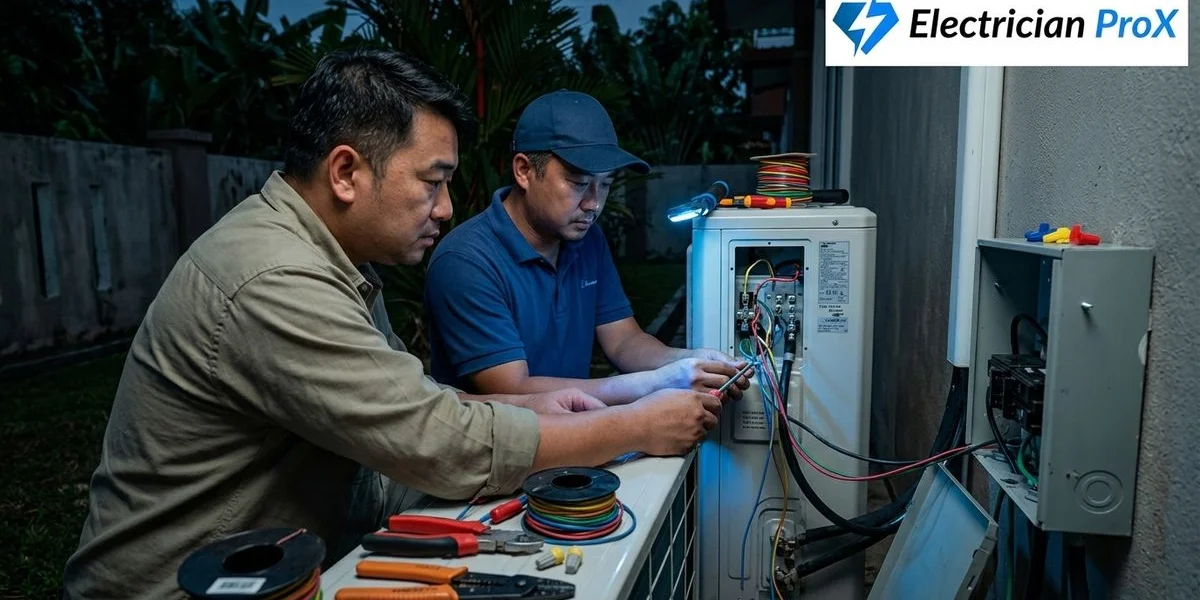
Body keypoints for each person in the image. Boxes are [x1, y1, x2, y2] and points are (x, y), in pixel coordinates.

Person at [61, 49, 722, 599]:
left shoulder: (335, 259)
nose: (446, 208)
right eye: (432, 182)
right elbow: (432, 439)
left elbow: (405, 401)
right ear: (346, 172)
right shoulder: (275, 277)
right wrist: (636, 425)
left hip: (285, 565)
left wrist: (534, 407)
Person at [424, 90, 751, 405]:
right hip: (503, 440)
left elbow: (624, 341)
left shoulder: (587, 239)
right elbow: (514, 389)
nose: (594, 203)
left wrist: (688, 360)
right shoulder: (466, 261)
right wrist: (654, 383)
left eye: (605, 184)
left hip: (576, 428)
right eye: (579, 184)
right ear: (524, 171)